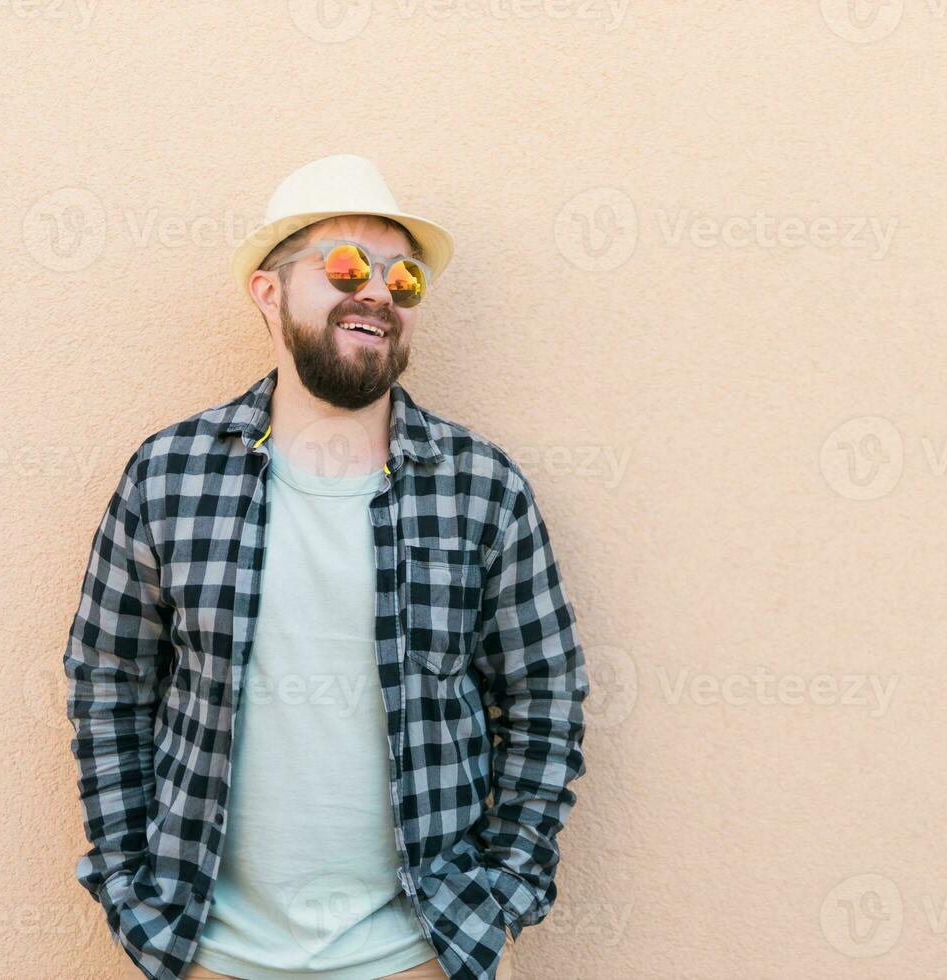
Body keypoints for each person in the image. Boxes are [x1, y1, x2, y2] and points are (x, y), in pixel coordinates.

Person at [63, 154, 589, 980]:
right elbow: (107, 682)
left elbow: (545, 693)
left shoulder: (480, 486)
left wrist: (502, 897)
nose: (379, 291)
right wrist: (136, 897)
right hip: (212, 955)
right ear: (269, 294)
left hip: (422, 952)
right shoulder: (169, 474)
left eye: (404, 278)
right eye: (345, 265)